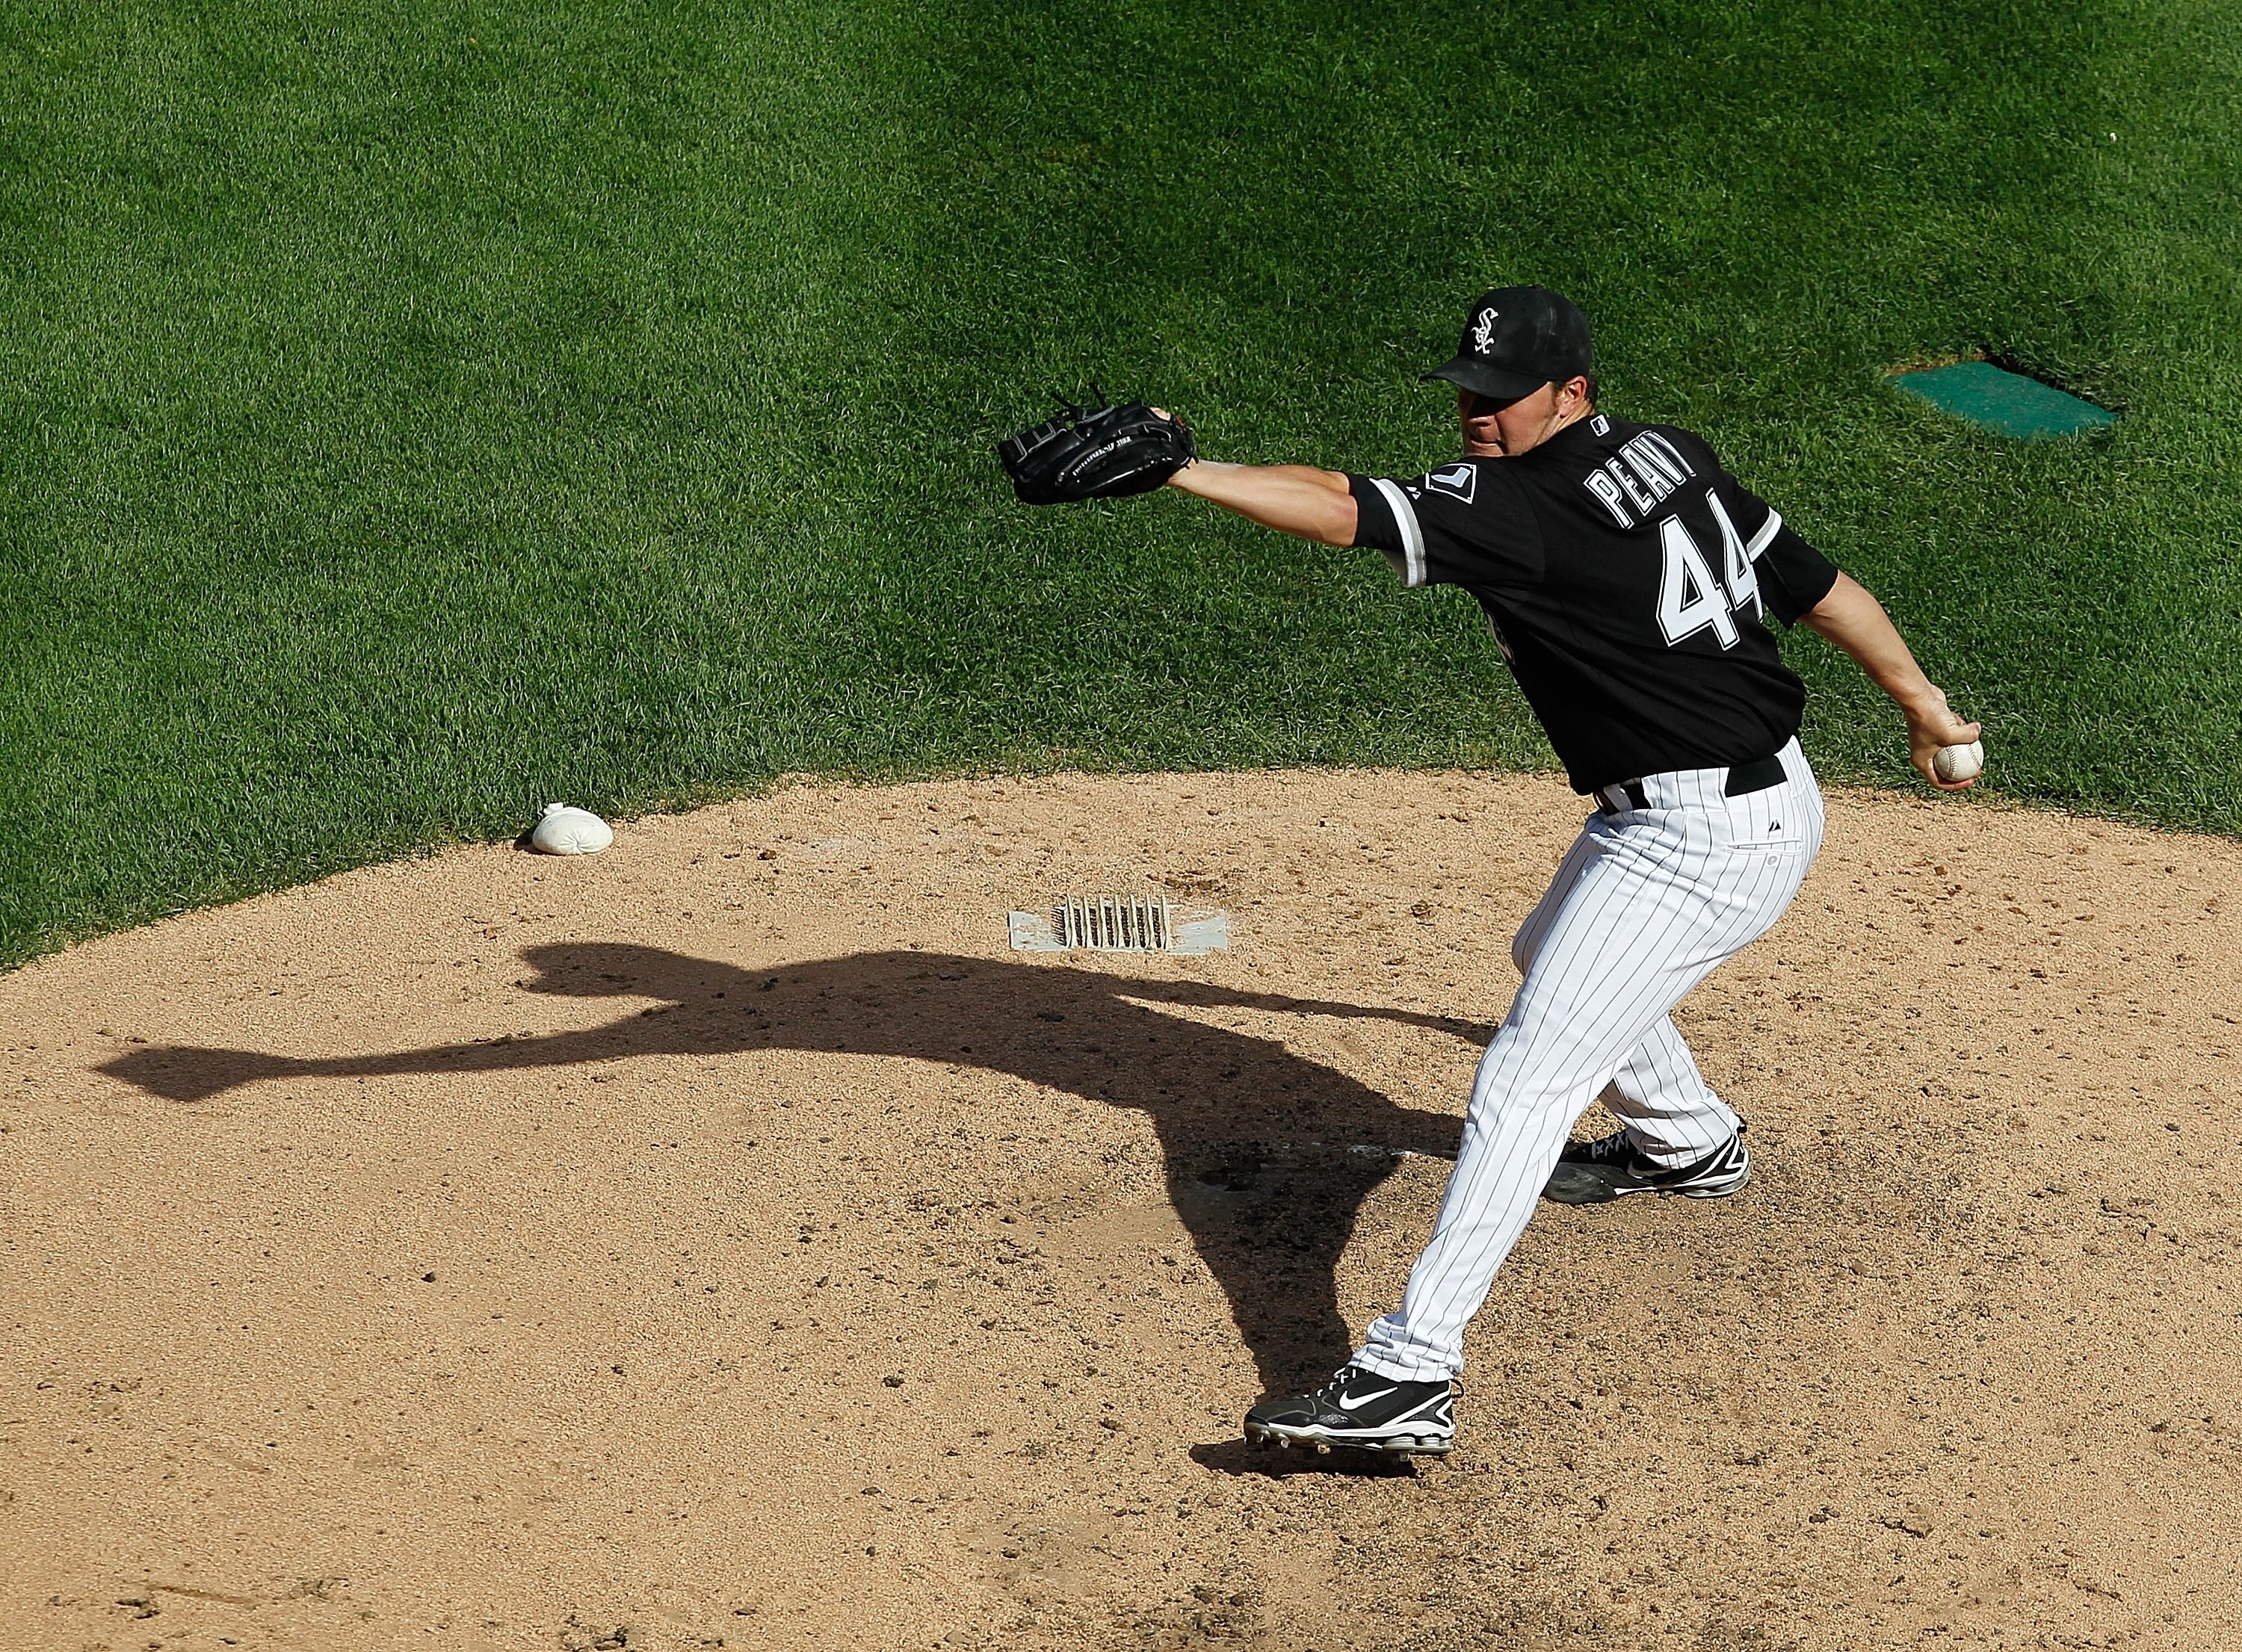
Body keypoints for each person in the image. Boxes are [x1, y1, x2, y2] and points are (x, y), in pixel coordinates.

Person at [1158, 285, 1982, 1455]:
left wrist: (1185, 473)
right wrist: (1926, 704)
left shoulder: (1518, 509)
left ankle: (1409, 1371)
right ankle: (1685, 1140)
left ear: (1574, 391)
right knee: (1547, 952)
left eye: (1503, 398)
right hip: (1743, 804)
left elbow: (1344, 506)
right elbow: (1815, 585)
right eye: (1467, 393)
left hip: (1698, 840)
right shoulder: (1664, 454)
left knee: (1526, 1080)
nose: (1478, 416)